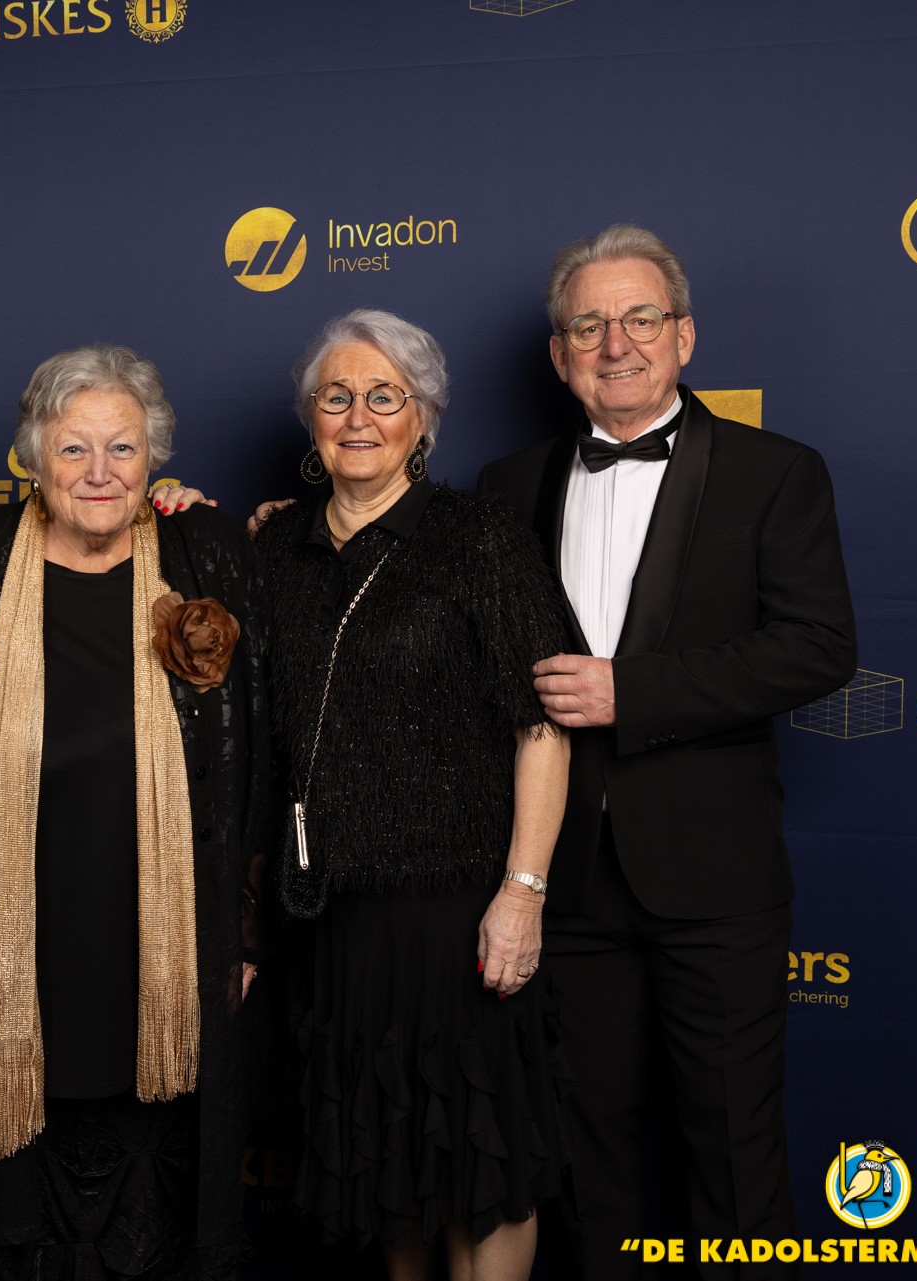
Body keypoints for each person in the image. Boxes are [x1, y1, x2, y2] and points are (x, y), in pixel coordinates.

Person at [478, 225, 858, 1279]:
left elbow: (819, 647)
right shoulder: (506, 485)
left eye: (640, 318)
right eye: (589, 325)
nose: (617, 343)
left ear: (683, 337)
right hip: (563, 882)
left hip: (714, 878)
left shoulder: (776, 473)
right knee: (587, 1154)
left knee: (734, 1150)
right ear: (558, 354)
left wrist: (630, 692)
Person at [0, 344, 272, 1280]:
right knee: (24, 1183)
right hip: (22, 931)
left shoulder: (206, 554)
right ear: (34, 457)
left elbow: (259, 751)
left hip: (164, 931)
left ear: (155, 457)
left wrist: (244, 930)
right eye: (74, 448)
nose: (100, 472)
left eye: (123, 447)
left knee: (152, 1170)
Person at [254, 310, 572, 1281]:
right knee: (385, 1160)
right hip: (334, 923)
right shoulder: (273, 551)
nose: (358, 417)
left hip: (459, 916)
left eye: (384, 396)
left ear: (422, 417)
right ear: (310, 418)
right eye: (337, 396)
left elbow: (541, 727)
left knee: (479, 1153)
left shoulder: (479, 538)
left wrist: (523, 892)